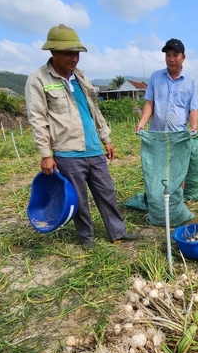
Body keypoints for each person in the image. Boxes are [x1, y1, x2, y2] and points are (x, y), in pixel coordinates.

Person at [25, 24, 139, 251]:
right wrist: (46, 154)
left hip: (94, 148)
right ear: (53, 53)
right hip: (67, 151)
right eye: (68, 53)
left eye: (76, 53)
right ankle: (86, 237)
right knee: (79, 198)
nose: (74, 58)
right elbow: (38, 119)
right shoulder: (38, 80)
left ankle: (117, 232)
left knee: (107, 192)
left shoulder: (80, 77)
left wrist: (105, 138)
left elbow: (94, 110)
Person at [134, 38, 198, 134]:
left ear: (183, 57)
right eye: (168, 55)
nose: (171, 59)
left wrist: (194, 125)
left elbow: (193, 109)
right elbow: (149, 104)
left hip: (178, 137)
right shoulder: (155, 77)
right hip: (157, 135)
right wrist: (142, 122)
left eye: (175, 55)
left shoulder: (191, 82)